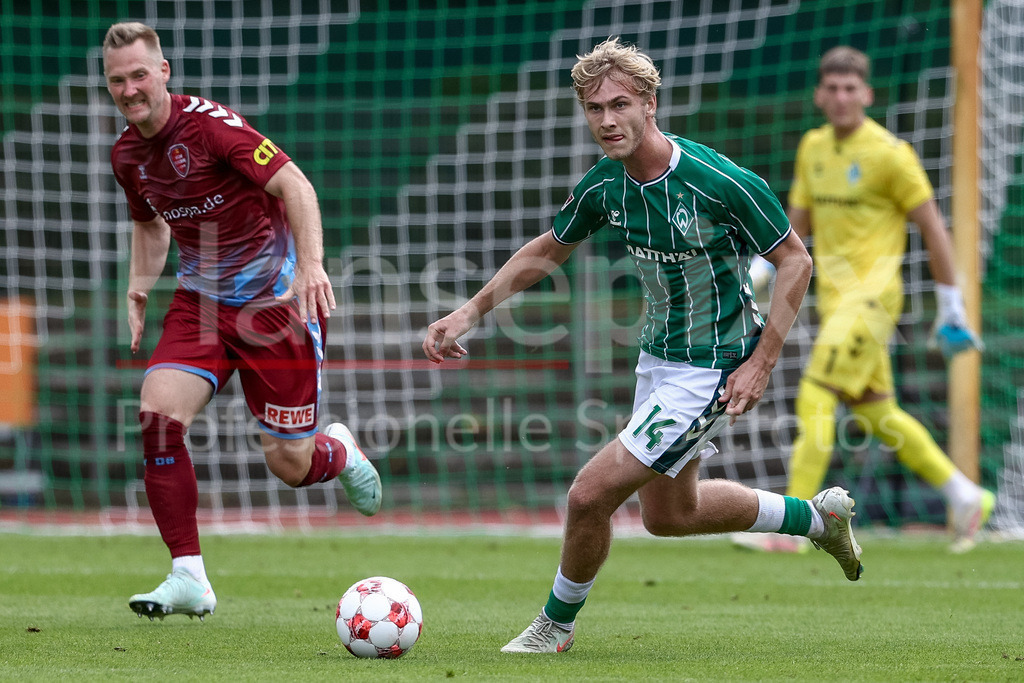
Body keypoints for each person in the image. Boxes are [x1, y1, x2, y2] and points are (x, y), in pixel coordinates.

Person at [423, 38, 860, 655]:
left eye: (620, 104)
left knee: (588, 495)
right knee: (669, 515)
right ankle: (817, 519)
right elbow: (549, 248)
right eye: (595, 108)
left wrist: (761, 362)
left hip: (713, 367)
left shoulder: (717, 181)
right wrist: (470, 310)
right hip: (658, 360)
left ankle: (555, 627)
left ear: (650, 103)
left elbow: (795, 260)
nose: (607, 120)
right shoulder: (606, 183)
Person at [103, 22, 383, 621]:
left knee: (289, 465)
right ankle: (189, 576)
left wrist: (310, 266)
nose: (129, 89)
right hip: (200, 305)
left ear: (164, 72)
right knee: (157, 417)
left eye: (139, 75)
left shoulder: (210, 126)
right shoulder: (126, 155)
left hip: (275, 308)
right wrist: (137, 285)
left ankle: (338, 451)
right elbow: (151, 225)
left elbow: (294, 184)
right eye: (117, 80)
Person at [735, 46, 991, 556]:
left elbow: (934, 230)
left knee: (815, 392)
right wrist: (754, 276)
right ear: (818, 95)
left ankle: (792, 528)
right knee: (878, 411)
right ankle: (965, 496)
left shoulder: (891, 155)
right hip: (834, 304)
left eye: (851, 88)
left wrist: (951, 305)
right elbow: (794, 231)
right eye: (831, 87)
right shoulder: (812, 147)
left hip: (873, 302)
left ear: (867, 94)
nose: (841, 96)